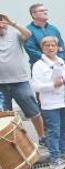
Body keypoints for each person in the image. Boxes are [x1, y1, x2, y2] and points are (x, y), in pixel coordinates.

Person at [31, 36, 65, 169]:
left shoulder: (61, 61)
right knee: (53, 131)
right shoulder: (38, 65)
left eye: (53, 45)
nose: (51, 48)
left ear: (57, 47)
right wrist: (52, 85)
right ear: (42, 48)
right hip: (50, 103)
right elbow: (36, 86)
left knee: (63, 130)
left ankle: (63, 152)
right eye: (47, 46)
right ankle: (54, 158)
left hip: (63, 101)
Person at [0, 14, 45, 144]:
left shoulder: (14, 34)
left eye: (2, 22)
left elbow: (28, 34)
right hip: (1, 86)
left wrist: (11, 22)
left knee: (34, 112)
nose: (1, 25)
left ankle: (42, 137)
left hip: (19, 81)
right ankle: (11, 143)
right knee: (5, 116)